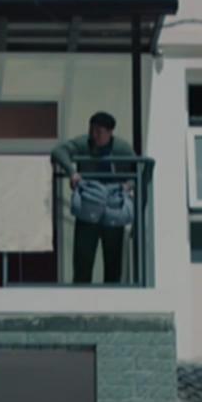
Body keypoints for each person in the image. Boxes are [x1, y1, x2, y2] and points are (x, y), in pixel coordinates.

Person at [52, 110, 137, 284]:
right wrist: (72, 172)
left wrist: (129, 184)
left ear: (110, 132)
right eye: (91, 130)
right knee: (82, 261)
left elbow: (139, 171)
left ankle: (110, 300)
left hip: (113, 210)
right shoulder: (84, 143)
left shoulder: (122, 148)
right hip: (88, 208)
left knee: (113, 263)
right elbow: (59, 151)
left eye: (99, 132)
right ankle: (80, 299)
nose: (94, 135)